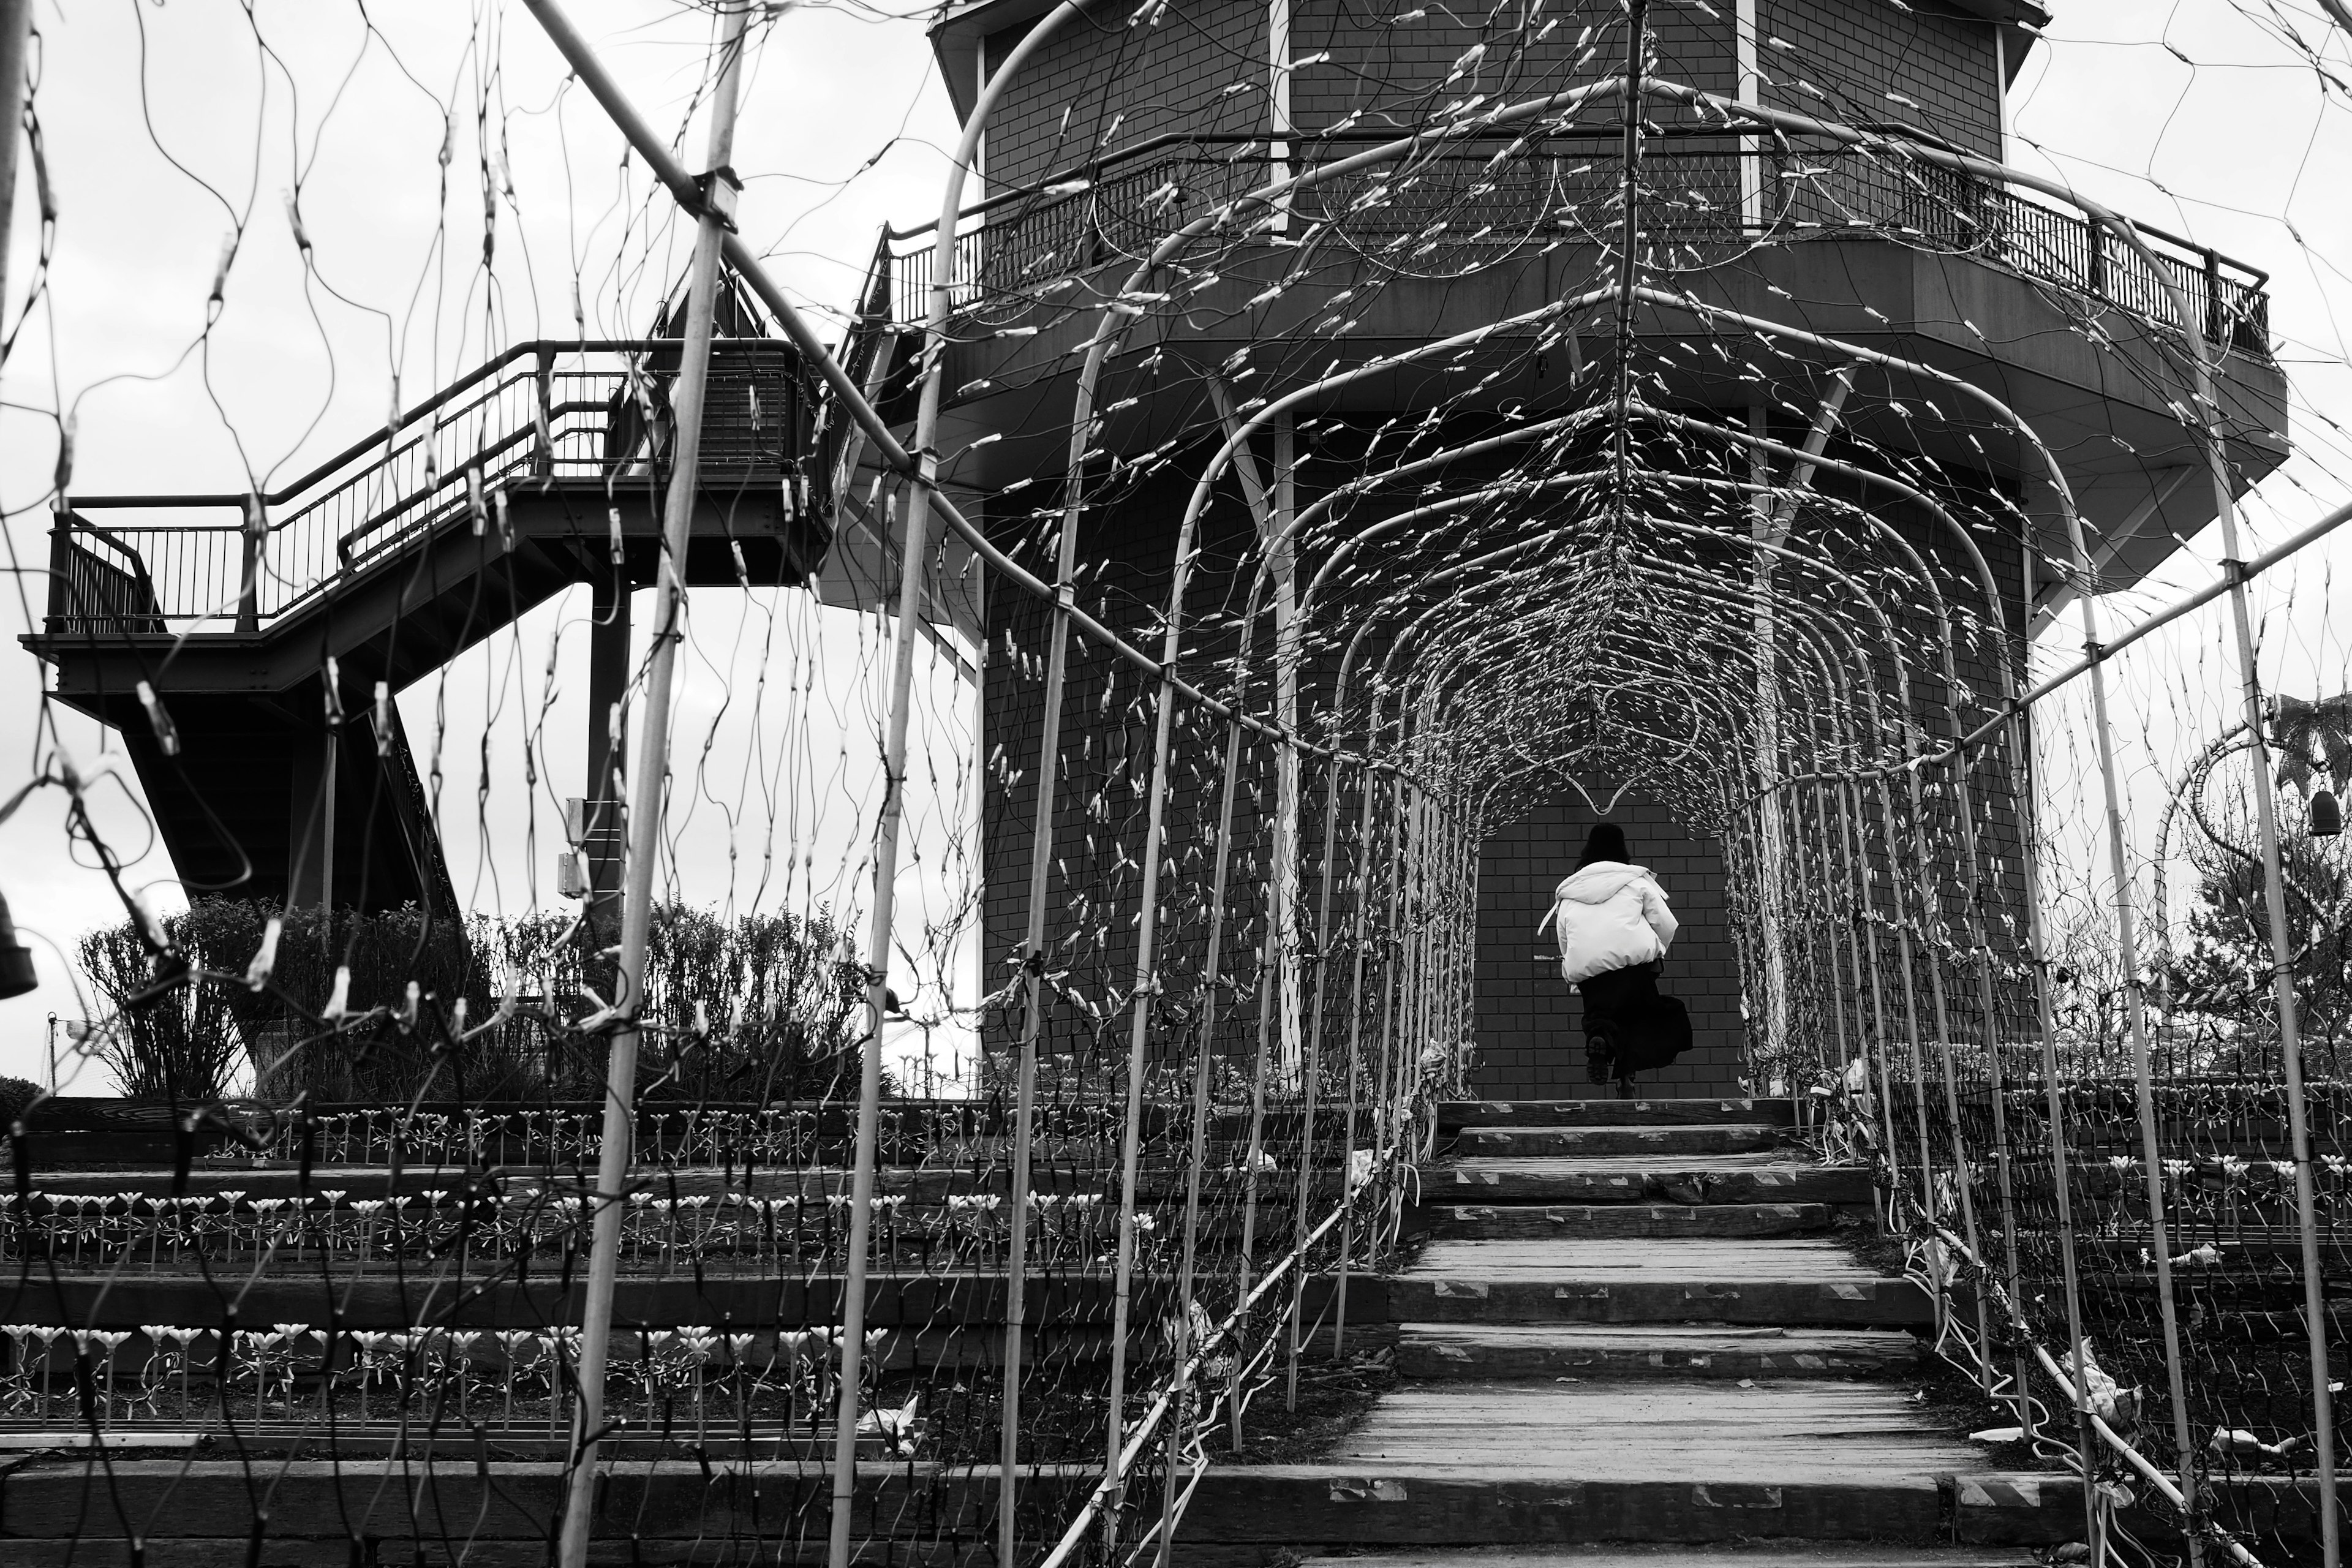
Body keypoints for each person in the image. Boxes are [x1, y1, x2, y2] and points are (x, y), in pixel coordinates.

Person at [1536, 823, 1692, 1091]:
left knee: (1601, 1016)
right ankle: (1627, 1077)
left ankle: (1599, 1037)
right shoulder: (1636, 881)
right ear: (1623, 849)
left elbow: (1565, 936)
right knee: (1639, 1017)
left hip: (1590, 972)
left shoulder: (1571, 890)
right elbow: (1667, 924)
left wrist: (1576, 965)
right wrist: (1657, 950)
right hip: (1633, 967)